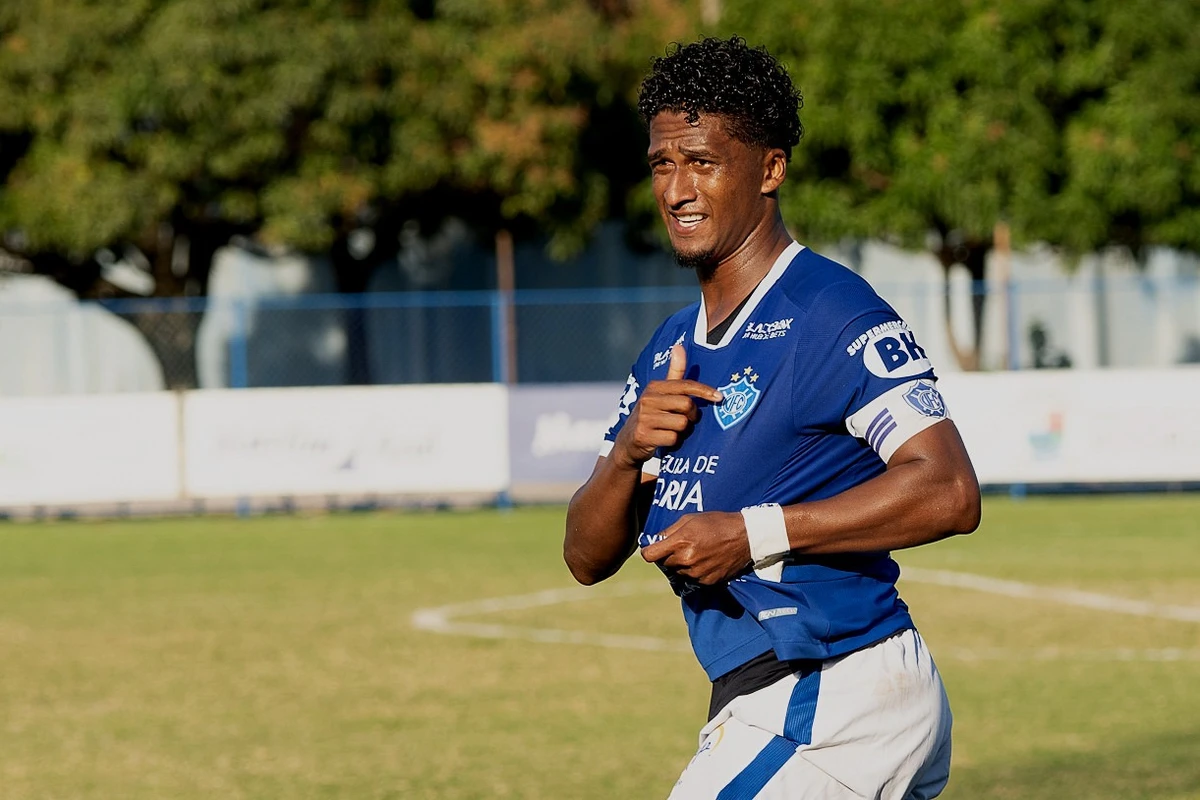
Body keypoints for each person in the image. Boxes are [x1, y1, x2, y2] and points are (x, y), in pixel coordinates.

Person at [563, 36, 981, 800]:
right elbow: (586, 559)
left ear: (771, 169)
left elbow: (950, 491)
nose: (677, 190)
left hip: (833, 695)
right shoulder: (669, 350)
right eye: (662, 164)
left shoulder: (829, 310)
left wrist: (750, 534)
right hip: (774, 697)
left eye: (703, 162)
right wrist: (625, 454)